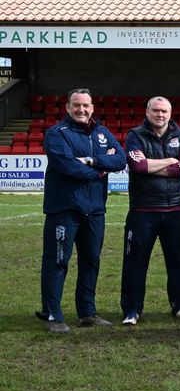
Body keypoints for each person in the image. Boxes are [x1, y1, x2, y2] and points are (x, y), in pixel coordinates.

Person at [38, 88, 127, 333]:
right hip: (64, 209)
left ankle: (87, 312)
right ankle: (53, 315)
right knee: (57, 262)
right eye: (76, 105)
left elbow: (120, 159)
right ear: (67, 107)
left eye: (86, 105)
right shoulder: (57, 133)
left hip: (95, 209)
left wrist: (89, 160)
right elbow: (67, 167)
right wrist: (101, 168)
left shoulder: (101, 131)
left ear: (92, 108)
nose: (81, 109)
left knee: (91, 260)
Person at [119, 96, 180, 326]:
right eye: (155, 110)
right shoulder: (135, 135)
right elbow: (138, 165)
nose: (160, 114)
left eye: (164, 111)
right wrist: (169, 160)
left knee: (178, 261)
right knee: (135, 261)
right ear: (147, 111)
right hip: (143, 210)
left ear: (170, 113)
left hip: (177, 209)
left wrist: (153, 165)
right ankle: (132, 309)